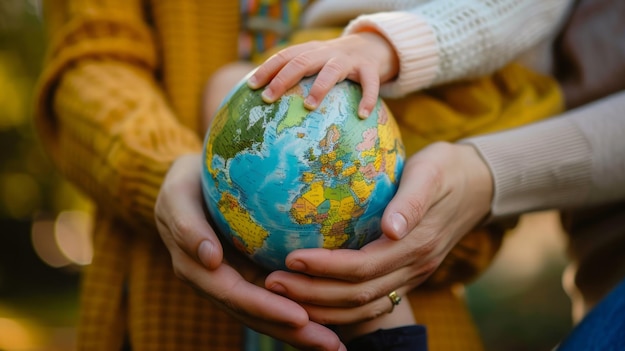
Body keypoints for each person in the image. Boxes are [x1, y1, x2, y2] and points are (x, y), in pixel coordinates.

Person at [34, 0, 574, 350]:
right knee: (228, 84)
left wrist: (440, 226)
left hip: (401, 308)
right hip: (165, 314)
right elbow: (90, 63)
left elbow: (501, 88)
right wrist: (163, 172)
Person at [244, 0, 625, 349]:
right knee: (235, 88)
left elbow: (514, 9)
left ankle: (384, 327)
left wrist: (384, 46)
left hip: (458, 89)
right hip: (342, 55)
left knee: (376, 232)